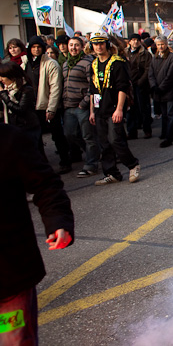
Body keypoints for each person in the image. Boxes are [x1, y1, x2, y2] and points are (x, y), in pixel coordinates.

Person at [0, 123, 74, 346]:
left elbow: (45, 185)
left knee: (13, 341)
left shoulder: (7, 139)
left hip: (8, 278)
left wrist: (57, 223)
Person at [88, 34, 141, 185]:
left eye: (101, 44)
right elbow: (92, 90)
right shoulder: (94, 64)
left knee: (115, 139)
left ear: (107, 45)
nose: (99, 47)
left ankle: (133, 165)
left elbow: (122, 87)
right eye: (95, 44)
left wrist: (119, 109)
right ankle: (112, 173)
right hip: (99, 110)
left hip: (113, 108)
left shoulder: (118, 62)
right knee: (103, 143)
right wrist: (92, 111)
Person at [24, 36, 72, 174]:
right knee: (36, 137)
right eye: (33, 47)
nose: (36, 49)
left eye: (38, 47)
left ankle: (65, 161)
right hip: (32, 106)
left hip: (48, 105)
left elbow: (55, 87)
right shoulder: (26, 63)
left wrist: (51, 108)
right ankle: (42, 164)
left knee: (57, 135)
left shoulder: (51, 64)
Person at [62, 36, 100, 178]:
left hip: (82, 106)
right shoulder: (66, 64)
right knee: (70, 134)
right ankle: (95, 152)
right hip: (68, 106)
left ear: (82, 46)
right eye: (71, 45)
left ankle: (91, 164)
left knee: (88, 136)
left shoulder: (88, 63)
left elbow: (94, 86)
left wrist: (85, 102)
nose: (73, 48)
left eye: (76, 45)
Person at [148, 36, 173, 148]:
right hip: (160, 92)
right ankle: (166, 133)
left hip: (170, 91)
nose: (160, 47)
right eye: (158, 45)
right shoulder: (155, 57)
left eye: (162, 44)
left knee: (171, 114)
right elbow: (151, 74)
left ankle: (169, 136)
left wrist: (161, 87)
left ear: (166, 44)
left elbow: (171, 76)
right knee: (164, 114)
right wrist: (154, 86)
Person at [0, 62, 42, 151]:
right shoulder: (7, 89)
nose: (1, 79)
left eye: (3, 76)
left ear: (12, 76)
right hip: (14, 127)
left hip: (27, 127)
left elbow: (20, 109)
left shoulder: (26, 89)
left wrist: (4, 96)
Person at [125, 34, 153, 139]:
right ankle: (131, 131)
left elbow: (148, 69)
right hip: (128, 85)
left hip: (141, 85)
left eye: (137, 40)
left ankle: (147, 130)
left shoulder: (145, 54)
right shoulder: (125, 52)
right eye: (133, 40)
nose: (135, 42)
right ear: (129, 42)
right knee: (130, 109)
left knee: (144, 108)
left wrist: (141, 81)